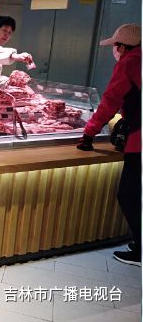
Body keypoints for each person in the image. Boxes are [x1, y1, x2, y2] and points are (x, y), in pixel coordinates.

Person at [77, 23, 141, 266]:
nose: (115, 50)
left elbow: (111, 100)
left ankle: (140, 251)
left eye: (115, 46)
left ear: (122, 47)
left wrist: (89, 133)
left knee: (129, 194)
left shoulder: (130, 62)